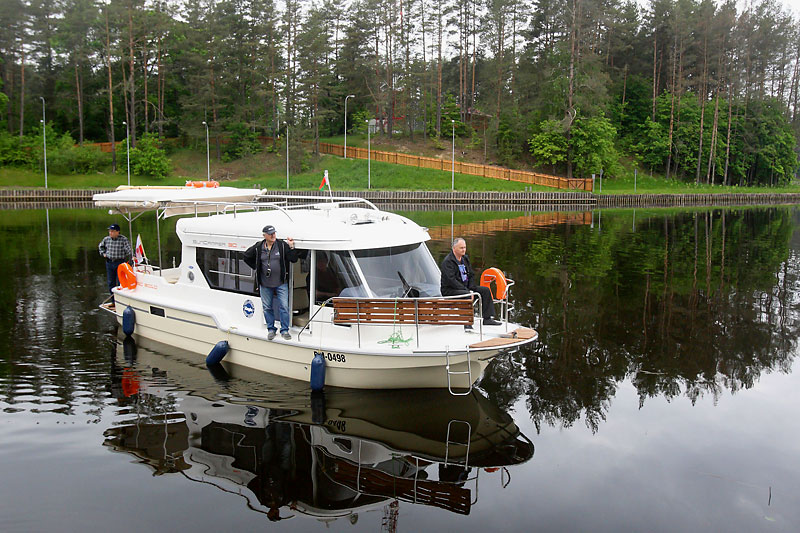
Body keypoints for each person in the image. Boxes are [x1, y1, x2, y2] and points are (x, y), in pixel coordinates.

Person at [244, 225, 299, 340]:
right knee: (267, 307)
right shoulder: (259, 246)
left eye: (274, 233)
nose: (273, 235)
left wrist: (292, 247)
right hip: (264, 284)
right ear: (264, 236)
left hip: (281, 283)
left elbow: (293, 259)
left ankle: (284, 330)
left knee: (284, 307)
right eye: (270, 234)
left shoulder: (281, 245)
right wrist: (256, 267)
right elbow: (246, 256)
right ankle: (271, 329)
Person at [440, 237, 501, 326]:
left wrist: (471, 287)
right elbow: (451, 280)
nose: (464, 250)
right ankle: (467, 322)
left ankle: (487, 319)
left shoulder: (465, 259)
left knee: (485, 291)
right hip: (450, 290)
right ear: (454, 248)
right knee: (467, 296)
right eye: (461, 248)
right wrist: (467, 291)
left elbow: (471, 274)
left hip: (466, 287)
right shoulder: (448, 262)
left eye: (464, 247)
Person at [98, 223, 133, 305]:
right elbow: (100, 246)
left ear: (118, 232)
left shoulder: (123, 239)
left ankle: (122, 301)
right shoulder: (106, 239)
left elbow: (129, 250)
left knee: (121, 282)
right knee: (111, 282)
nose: (110, 233)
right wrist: (103, 254)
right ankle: (113, 301)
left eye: (112, 231)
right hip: (109, 262)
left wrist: (132, 257)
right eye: (110, 231)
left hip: (120, 262)